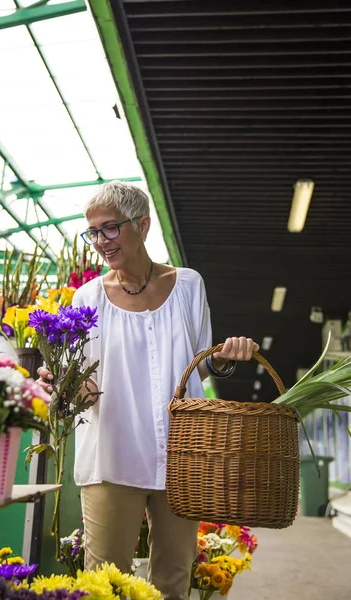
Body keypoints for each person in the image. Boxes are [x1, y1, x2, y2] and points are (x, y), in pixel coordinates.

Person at [37, 181, 259, 600]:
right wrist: (63, 386)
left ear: (142, 225)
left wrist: (227, 356)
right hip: (112, 455)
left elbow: (202, 364)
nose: (100, 241)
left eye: (110, 228)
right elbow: (83, 385)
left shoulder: (189, 285)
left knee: (173, 581)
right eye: (93, 232)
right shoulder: (87, 298)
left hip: (181, 456)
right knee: (105, 583)